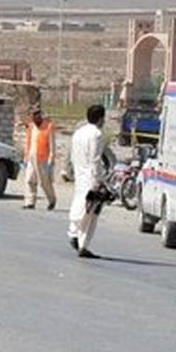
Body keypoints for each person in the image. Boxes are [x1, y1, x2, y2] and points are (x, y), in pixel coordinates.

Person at [68, 104, 108, 259]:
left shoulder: (78, 133)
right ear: (100, 118)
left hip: (80, 175)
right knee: (91, 212)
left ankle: (74, 233)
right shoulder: (97, 134)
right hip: (91, 178)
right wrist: (100, 180)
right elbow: (95, 160)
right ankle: (82, 244)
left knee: (79, 205)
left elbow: (73, 156)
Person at [21, 106, 57, 210]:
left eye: (35, 116)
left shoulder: (48, 127)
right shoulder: (31, 127)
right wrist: (26, 156)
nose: (33, 119)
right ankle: (30, 202)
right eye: (31, 116)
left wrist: (51, 160)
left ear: (39, 116)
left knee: (44, 182)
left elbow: (52, 145)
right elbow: (28, 141)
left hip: (43, 159)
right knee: (29, 180)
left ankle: (52, 200)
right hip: (31, 156)